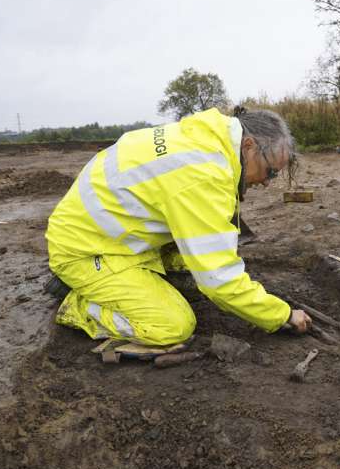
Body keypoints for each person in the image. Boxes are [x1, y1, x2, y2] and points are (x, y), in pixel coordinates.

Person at [45, 107, 312, 347]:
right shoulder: (202, 174)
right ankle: (79, 304)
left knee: (194, 266)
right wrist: (282, 314)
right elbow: (219, 280)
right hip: (86, 250)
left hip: (111, 231)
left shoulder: (206, 134)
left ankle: (129, 280)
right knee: (173, 326)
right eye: (271, 172)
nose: (267, 183)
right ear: (249, 146)